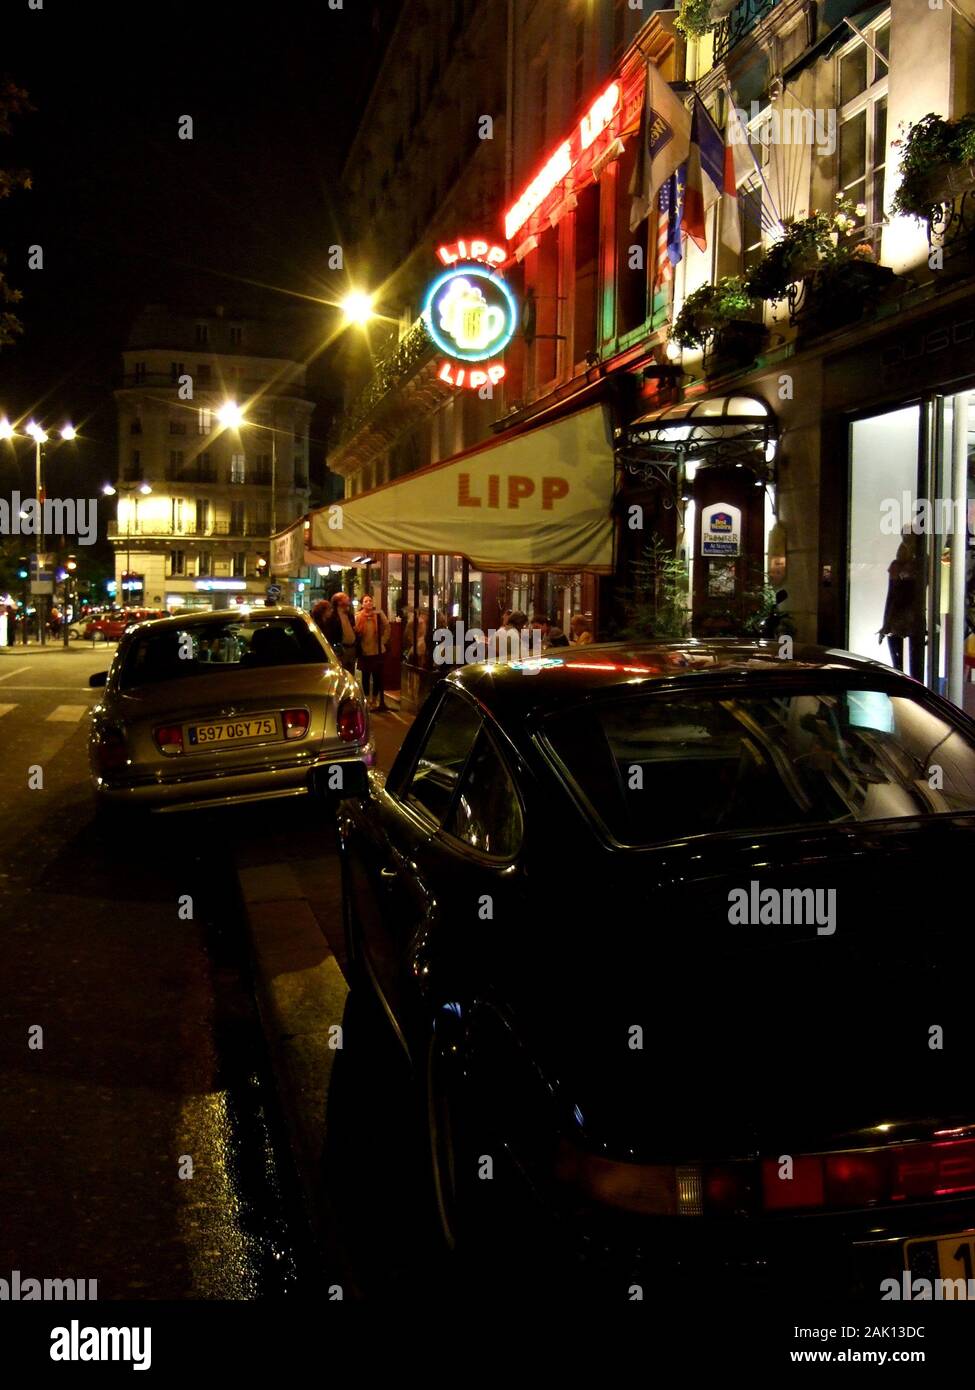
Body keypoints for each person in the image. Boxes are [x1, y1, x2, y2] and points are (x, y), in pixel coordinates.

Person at [879, 529, 925, 680]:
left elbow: (934, 593)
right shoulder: (898, 564)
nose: (906, 540)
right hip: (899, 616)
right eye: (904, 536)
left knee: (916, 666)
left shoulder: (922, 563)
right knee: (897, 666)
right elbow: (891, 595)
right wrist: (885, 623)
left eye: (909, 536)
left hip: (914, 616)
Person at [356, 594, 390, 711]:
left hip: (377, 650)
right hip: (364, 650)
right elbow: (356, 632)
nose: (369, 603)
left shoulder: (378, 615)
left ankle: (374, 700)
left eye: (370, 600)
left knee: (377, 676)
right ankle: (366, 699)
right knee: (365, 676)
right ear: (362, 604)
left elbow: (387, 627)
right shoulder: (358, 616)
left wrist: (383, 641)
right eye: (366, 601)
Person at [323, 591, 358, 675]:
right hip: (341, 650)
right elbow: (330, 634)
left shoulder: (349, 615)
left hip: (352, 649)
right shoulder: (332, 616)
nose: (348, 599)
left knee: (351, 674)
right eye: (345, 598)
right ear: (339, 602)